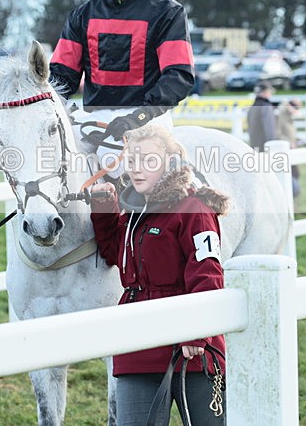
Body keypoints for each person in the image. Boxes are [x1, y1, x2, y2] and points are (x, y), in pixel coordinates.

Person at [90, 125, 227, 425]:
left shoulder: (194, 209)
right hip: (136, 344)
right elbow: (119, 255)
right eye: (133, 161)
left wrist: (198, 332)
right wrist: (104, 207)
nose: (138, 170)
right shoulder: (135, 210)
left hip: (191, 350)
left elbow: (207, 273)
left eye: (149, 161)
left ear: (170, 163)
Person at [48, 0, 195, 178]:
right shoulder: (81, 15)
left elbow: (178, 77)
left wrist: (137, 118)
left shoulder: (167, 12)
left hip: (148, 119)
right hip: (92, 120)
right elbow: (61, 77)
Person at [276, 98, 304, 209]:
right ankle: (291, 206)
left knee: (295, 175)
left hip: (291, 149)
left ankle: (294, 205)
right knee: (291, 177)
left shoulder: (288, 115)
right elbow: (279, 133)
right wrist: (289, 143)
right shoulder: (281, 115)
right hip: (285, 150)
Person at [246, 81, 277, 151]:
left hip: (254, 145)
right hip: (265, 146)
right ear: (265, 92)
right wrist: (272, 144)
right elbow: (270, 128)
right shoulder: (266, 106)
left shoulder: (252, 107)